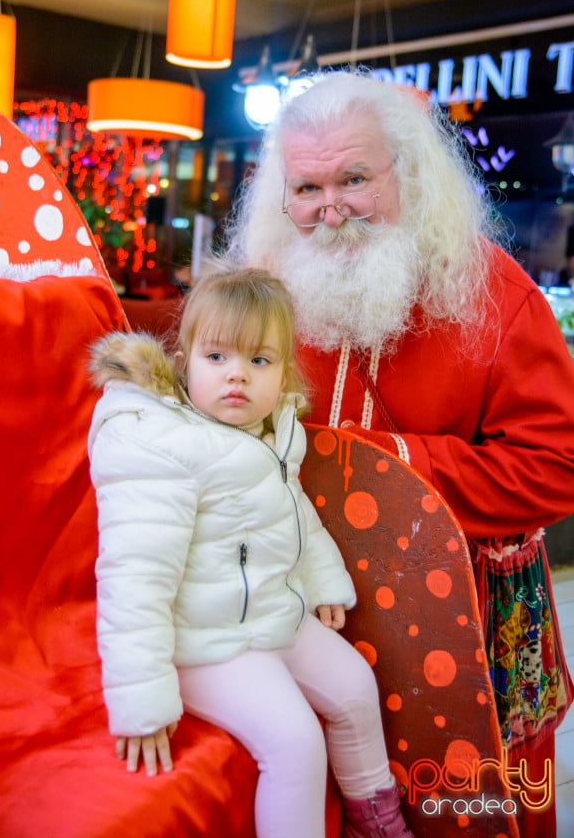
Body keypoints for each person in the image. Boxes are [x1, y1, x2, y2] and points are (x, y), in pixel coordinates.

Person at [226, 70, 574, 838]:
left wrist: (387, 464)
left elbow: (557, 469)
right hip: (319, 614)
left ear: (407, 175)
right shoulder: (266, 290)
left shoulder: (495, 291)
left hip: (473, 621)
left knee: (481, 811)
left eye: (355, 178)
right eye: (307, 187)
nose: (330, 209)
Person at [88, 266, 414, 838]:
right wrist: (142, 699)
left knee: (356, 687)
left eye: (259, 361)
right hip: (205, 645)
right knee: (294, 741)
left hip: (272, 617)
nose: (238, 376)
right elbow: (135, 578)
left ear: (284, 371)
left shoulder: (274, 431)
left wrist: (324, 582)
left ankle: (377, 823)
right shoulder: (158, 444)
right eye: (218, 358)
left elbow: (294, 515)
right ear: (184, 360)